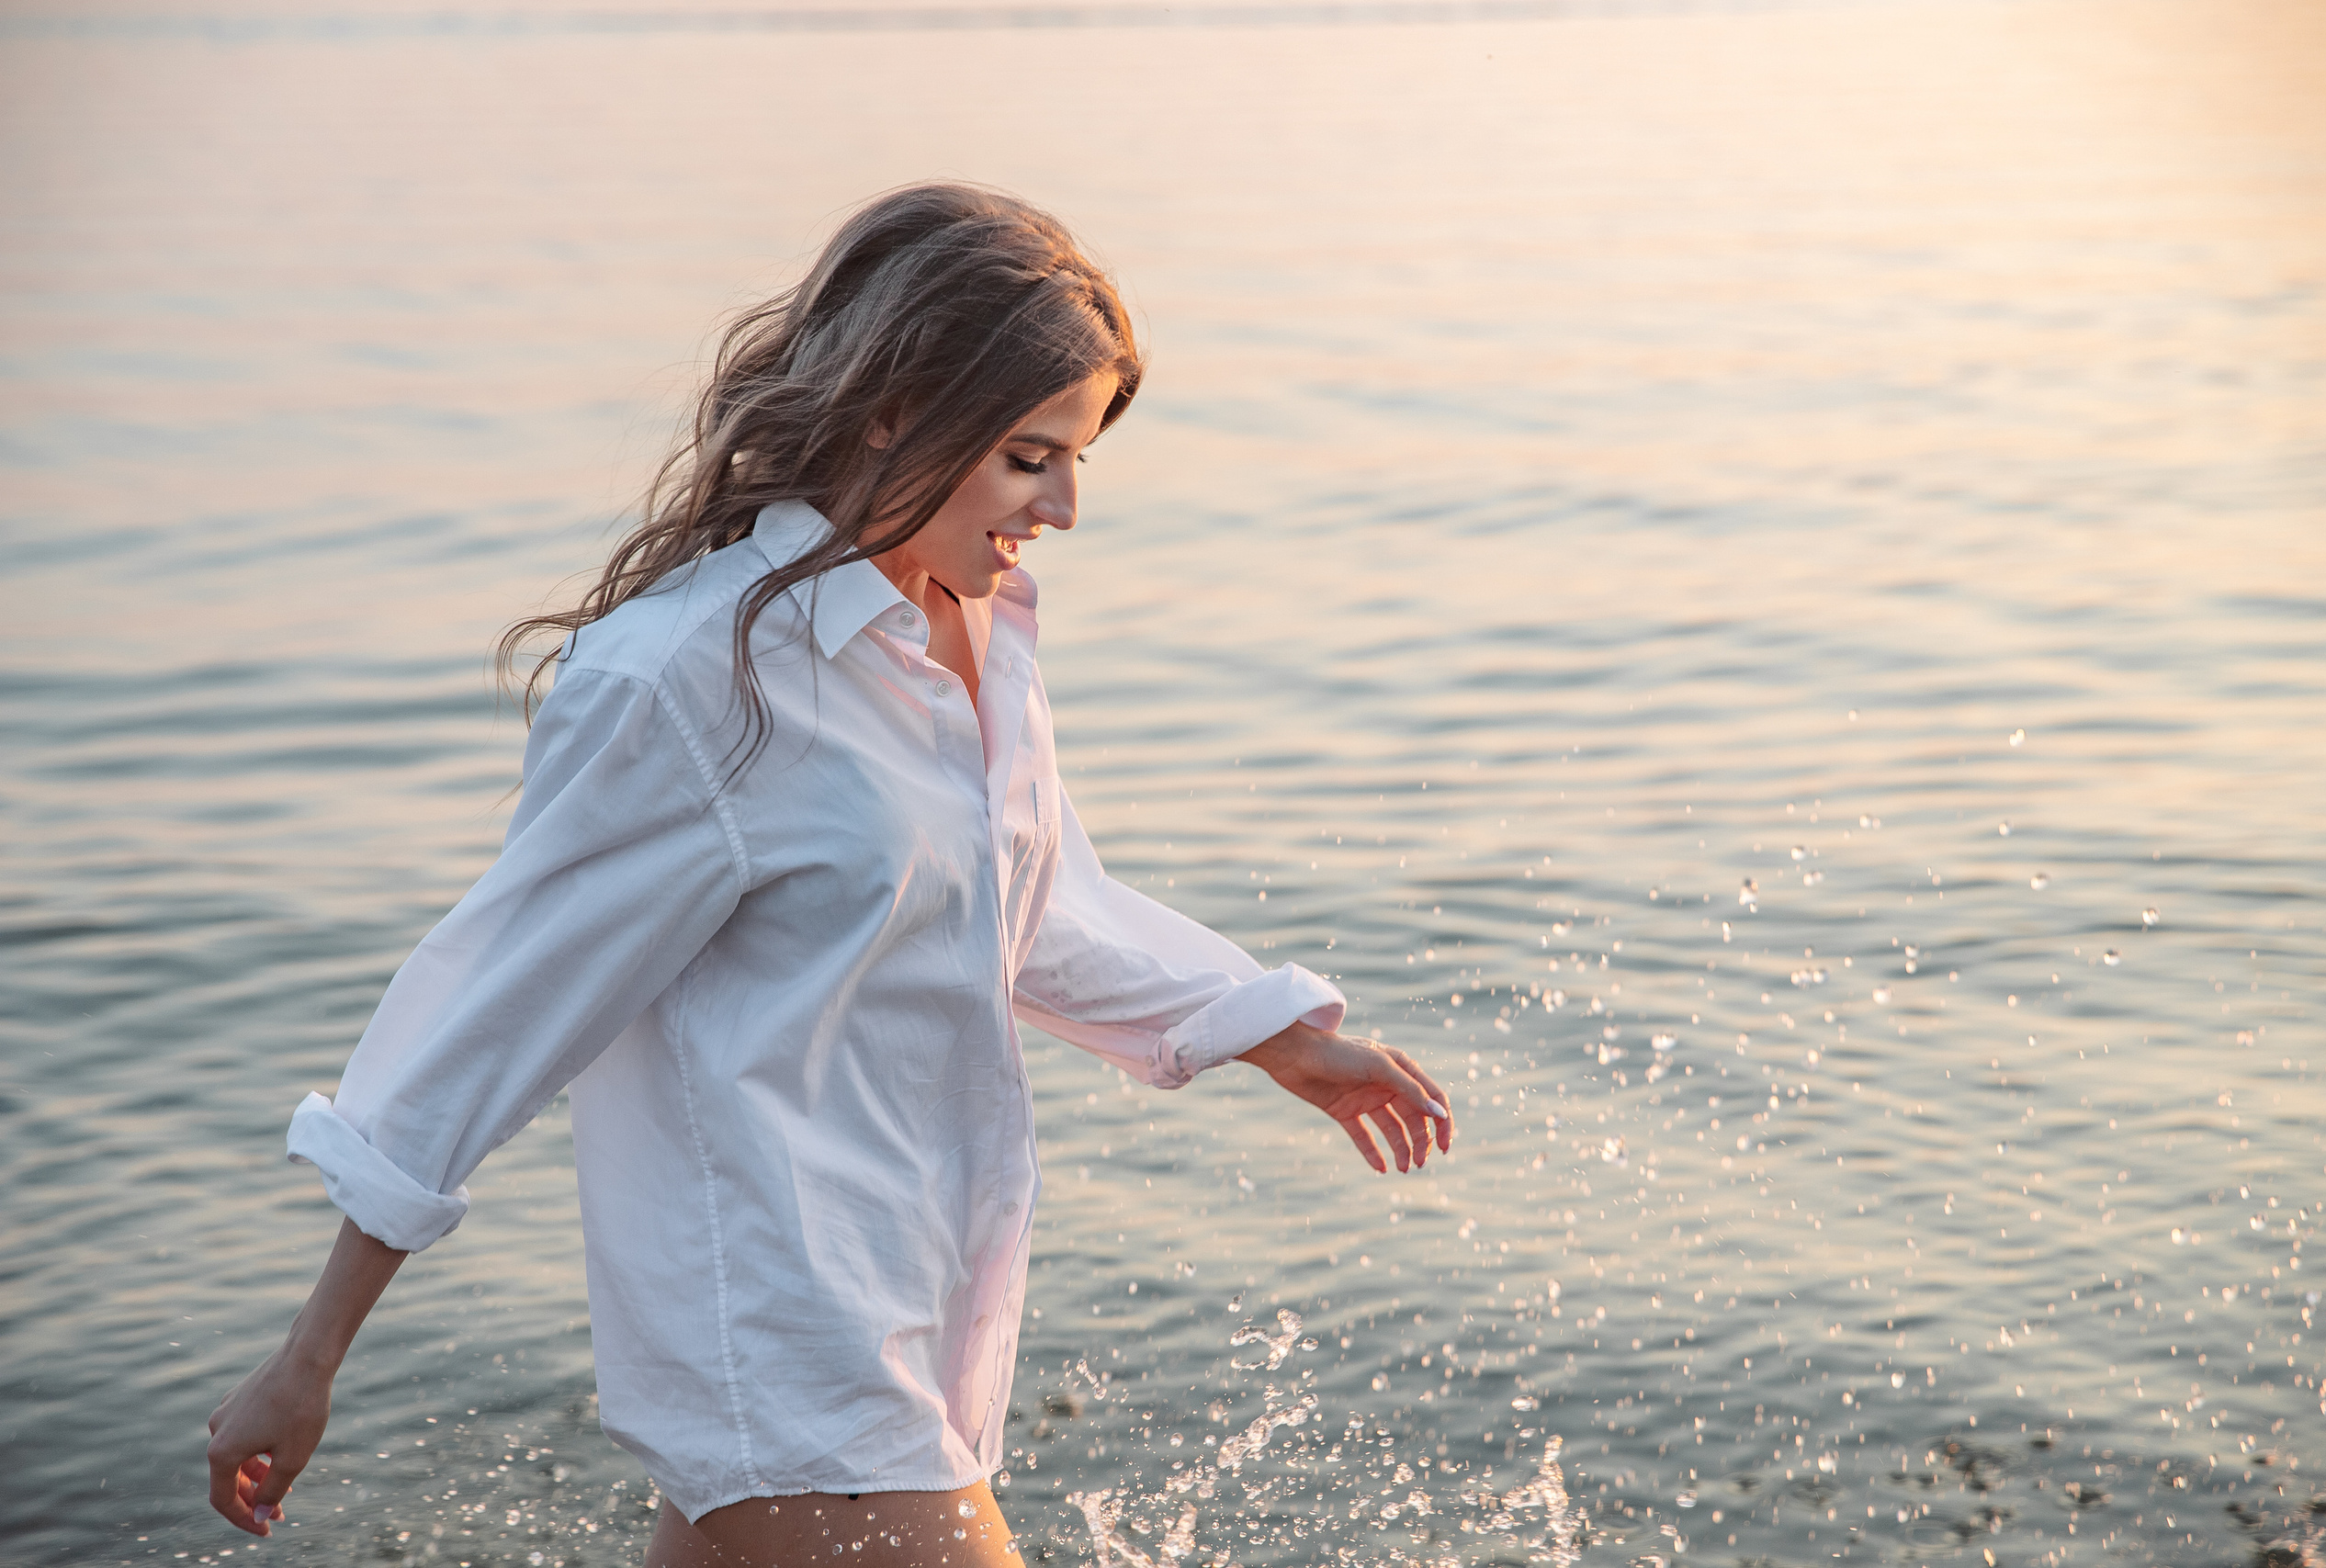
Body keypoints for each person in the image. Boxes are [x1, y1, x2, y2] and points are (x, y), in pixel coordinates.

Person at [203, 182, 1453, 1568]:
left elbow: (1030, 909)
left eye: (1078, 459)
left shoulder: (968, 635)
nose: (1069, 507)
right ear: (894, 410)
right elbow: (493, 1008)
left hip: (906, 1340)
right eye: (1033, 457)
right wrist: (308, 1356)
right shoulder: (694, 681)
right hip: (796, 1371)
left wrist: (1275, 1037)